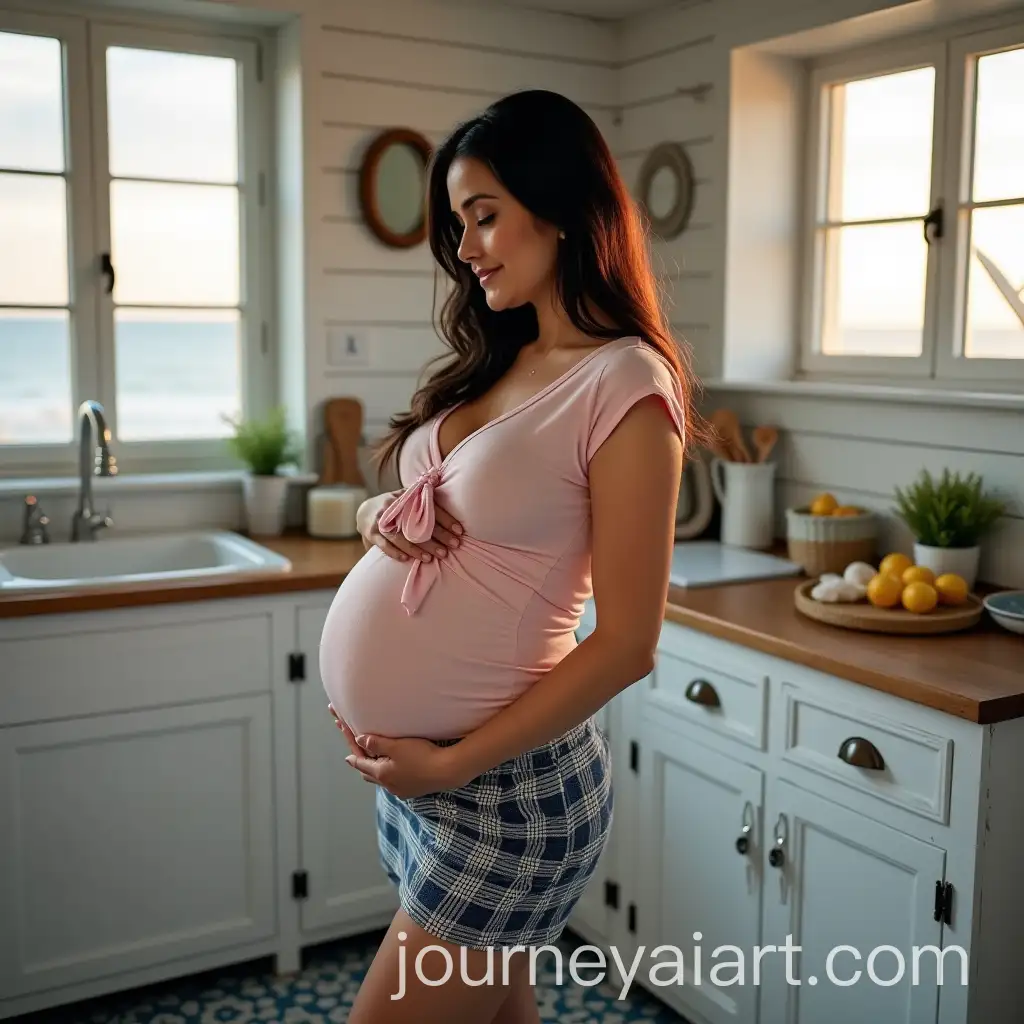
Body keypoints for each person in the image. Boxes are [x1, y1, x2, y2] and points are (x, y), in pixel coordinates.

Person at [318, 88, 706, 1024]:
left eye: (484, 215)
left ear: (562, 208)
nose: (465, 247)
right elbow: (432, 506)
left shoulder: (624, 382)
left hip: (505, 796)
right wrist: (375, 515)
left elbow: (628, 645)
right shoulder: (503, 356)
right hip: (428, 786)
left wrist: (453, 766)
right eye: (459, 223)